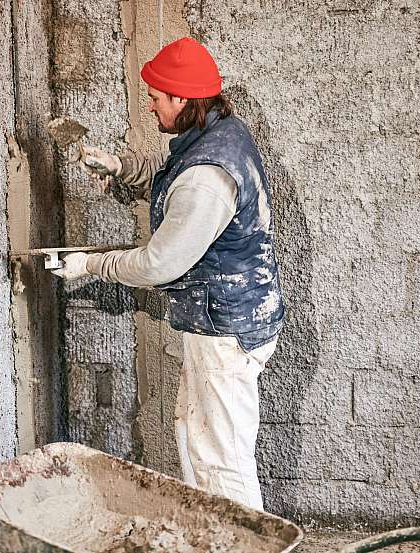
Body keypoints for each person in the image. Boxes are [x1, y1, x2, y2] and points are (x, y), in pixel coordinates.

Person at [51, 37, 284, 511]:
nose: (150, 102)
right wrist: (120, 166)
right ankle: (216, 539)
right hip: (225, 319)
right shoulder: (218, 133)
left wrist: (90, 264)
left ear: (182, 99)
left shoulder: (208, 178)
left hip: (226, 332)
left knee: (221, 460)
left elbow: (160, 263)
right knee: (196, 438)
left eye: (157, 95)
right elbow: (171, 170)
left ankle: (247, 544)